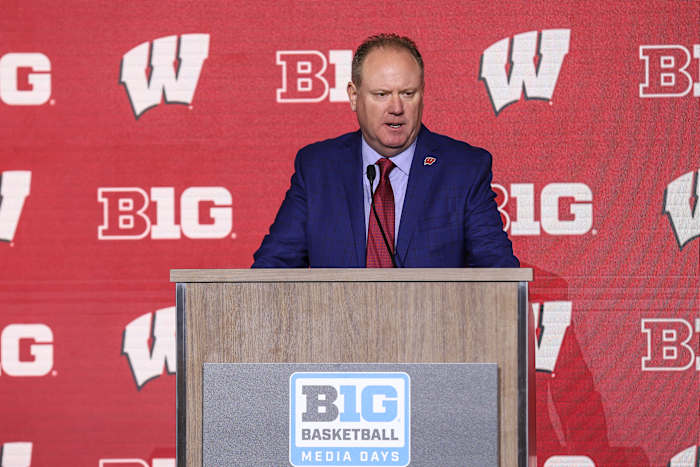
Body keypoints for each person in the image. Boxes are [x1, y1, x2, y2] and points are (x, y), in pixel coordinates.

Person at [252, 33, 518, 268]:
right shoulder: (317, 169)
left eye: (408, 93)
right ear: (354, 97)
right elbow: (272, 268)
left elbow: (499, 272)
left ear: (422, 95)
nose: (396, 108)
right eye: (381, 94)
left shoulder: (463, 169)